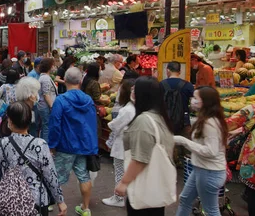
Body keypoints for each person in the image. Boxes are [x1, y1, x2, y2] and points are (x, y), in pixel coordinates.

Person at [0, 102, 67, 216]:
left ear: (10, 121)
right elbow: (50, 175)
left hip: (8, 199)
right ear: (29, 120)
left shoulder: (0, 144)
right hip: (36, 200)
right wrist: (60, 200)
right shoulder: (40, 145)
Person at [114, 76, 175, 216]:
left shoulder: (143, 121)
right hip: (156, 187)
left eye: (135, 90)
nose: (132, 92)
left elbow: (140, 159)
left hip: (143, 186)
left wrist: (124, 182)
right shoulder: (160, 117)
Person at [49, 67, 97, 216]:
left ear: (65, 80)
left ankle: (52, 203)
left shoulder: (61, 100)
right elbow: (92, 123)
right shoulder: (88, 100)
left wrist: (52, 145)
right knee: (84, 176)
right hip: (84, 145)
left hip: (66, 145)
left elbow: (55, 124)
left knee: (56, 176)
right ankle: (85, 208)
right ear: (81, 81)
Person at [175, 86, 228, 216]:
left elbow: (211, 151)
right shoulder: (208, 120)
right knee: (185, 199)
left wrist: (184, 141)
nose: (192, 100)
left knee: (211, 209)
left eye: (195, 98)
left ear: (206, 102)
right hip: (202, 169)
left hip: (209, 172)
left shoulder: (209, 123)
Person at [102, 79, 136, 207]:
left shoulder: (127, 110)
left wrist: (111, 124)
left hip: (122, 144)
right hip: (128, 144)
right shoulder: (132, 108)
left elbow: (115, 125)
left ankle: (119, 197)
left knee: (120, 171)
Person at [37, 58, 57, 141]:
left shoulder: (44, 77)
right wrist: (52, 106)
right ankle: (45, 146)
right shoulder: (45, 78)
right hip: (46, 106)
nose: (54, 67)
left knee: (45, 126)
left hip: (44, 106)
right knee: (47, 127)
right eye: (53, 65)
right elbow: (46, 94)